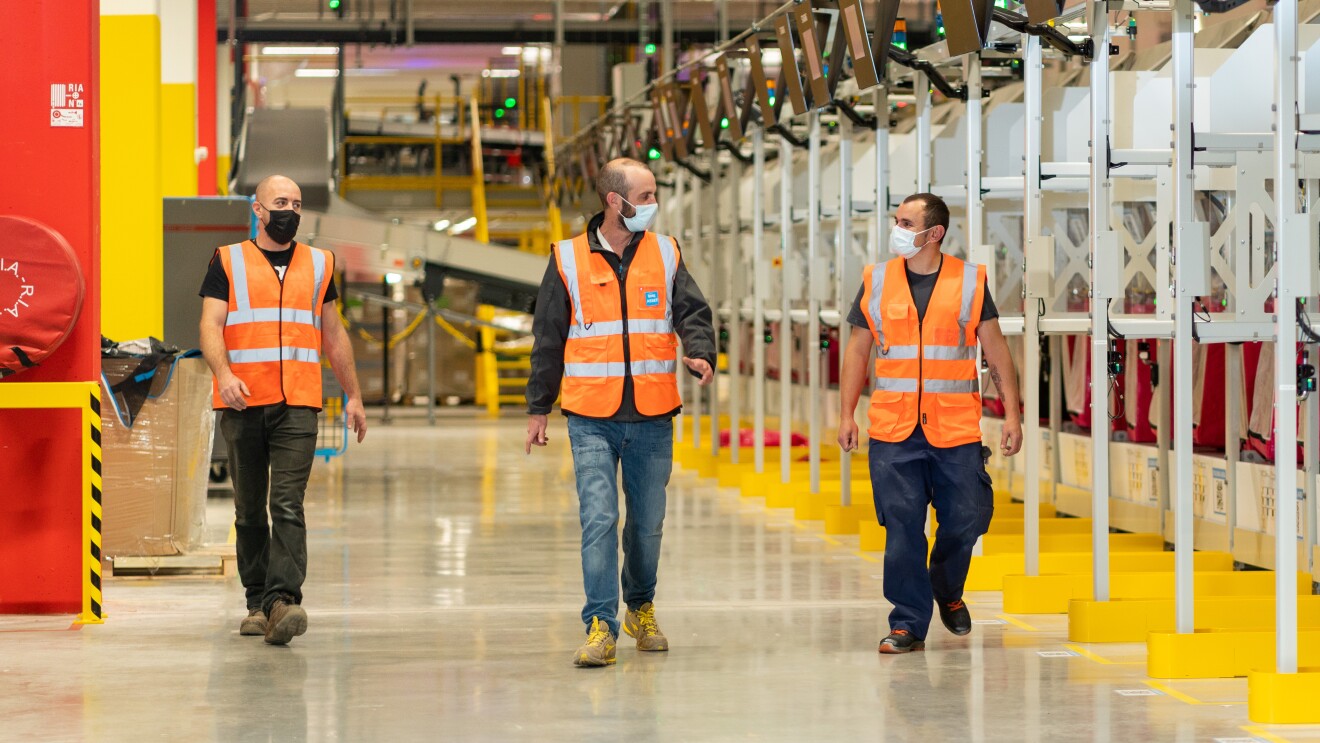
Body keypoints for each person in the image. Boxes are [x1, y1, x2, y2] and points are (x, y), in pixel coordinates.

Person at [525, 157, 716, 668]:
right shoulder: (567, 259)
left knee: (647, 524)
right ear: (616, 201)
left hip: (653, 413)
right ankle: (600, 624)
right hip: (591, 415)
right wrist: (538, 407)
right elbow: (549, 336)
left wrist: (699, 349)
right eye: (647, 195)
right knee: (600, 519)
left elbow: (692, 311)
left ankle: (641, 606)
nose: (654, 205)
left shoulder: (666, 253)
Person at [837, 193, 1023, 654]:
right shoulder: (876, 281)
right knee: (902, 525)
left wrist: (1013, 414)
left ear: (934, 233)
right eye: (896, 219)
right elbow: (858, 350)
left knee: (966, 518)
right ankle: (907, 623)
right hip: (893, 428)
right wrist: (846, 414)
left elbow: (996, 350)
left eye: (905, 222)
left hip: (955, 427)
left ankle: (946, 586)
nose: (896, 228)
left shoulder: (969, 281)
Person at [199, 174, 368, 646]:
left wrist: (353, 395)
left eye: (295, 203)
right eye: (280, 202)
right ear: (258, 209)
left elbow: (333, 334)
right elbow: (211, 324)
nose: (289, 210)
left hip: (299, 402)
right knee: (249, 509)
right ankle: (256, 602)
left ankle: (282, 602)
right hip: (242, 401)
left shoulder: (319, 264)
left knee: (287, 504)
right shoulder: (228, 261)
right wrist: (224, 374)